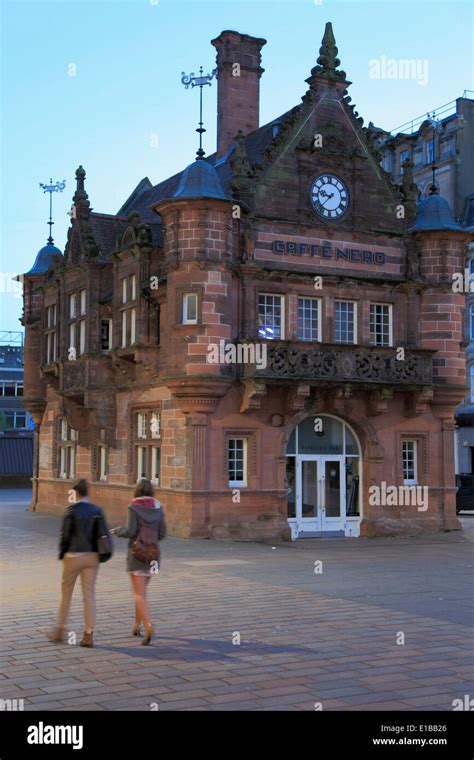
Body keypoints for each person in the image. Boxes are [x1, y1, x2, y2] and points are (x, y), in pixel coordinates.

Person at [48, 479, 108, 648]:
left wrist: (62, 553)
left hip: (73, 556)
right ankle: (88, 635)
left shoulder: (70, 510)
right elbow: (102, 534)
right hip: (91, 557)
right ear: (87, 492)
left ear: (76, 492)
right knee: (88, 596)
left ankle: (59, 630)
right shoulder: (97, 510)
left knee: (66, 595)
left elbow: (65, 536)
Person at [110, 479, 166, 645]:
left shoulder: (133, 507)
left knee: (138, 594)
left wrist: (118, 531)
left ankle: (148, 626)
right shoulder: (159, 508)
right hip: (153, 556)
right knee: (141, 593)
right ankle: (137, 624)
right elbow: (162, 534)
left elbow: (131, 530)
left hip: (137, 555)